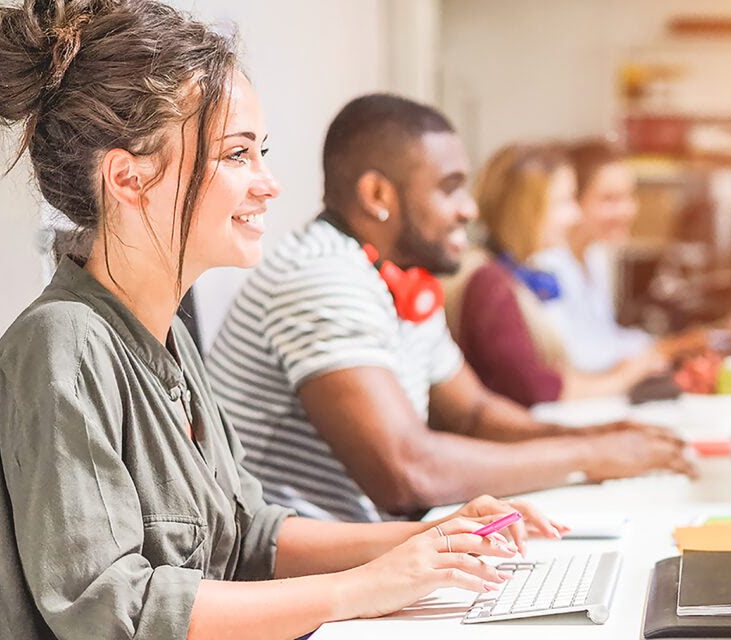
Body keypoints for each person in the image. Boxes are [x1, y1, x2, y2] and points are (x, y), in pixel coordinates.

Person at [0, 3, 560, 640]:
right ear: (128, 180)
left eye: (262, 151)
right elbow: (116, 618)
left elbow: (251, 536)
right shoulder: (62, 344)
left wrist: (430, 537)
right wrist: (366, 586)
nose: (269, 183)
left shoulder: (163, 337)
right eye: (236, 154)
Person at [208, 94, 695, 524]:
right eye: (449, 187)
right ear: (378, 195)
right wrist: (591, 454)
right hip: (307, 590)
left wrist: (599, 437)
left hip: (366, 558)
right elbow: (406, 472)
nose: (469, 209)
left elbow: (474, 414)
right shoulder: (323, 275)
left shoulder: (396, 275)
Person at [447, 142, 667, 407]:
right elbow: (537, 388)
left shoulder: (519, 274)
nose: (575, 216)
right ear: (526, 210)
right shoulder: (492, 284)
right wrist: (629, 373)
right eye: (563, 202)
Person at [531, 138, 705, 375]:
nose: (627, 211)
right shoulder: (546, 266)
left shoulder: (595, 256)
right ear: (574, 199)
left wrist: (666, 345)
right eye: (609, 199)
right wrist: (665, 350)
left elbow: (604, 337)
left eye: (629, 196)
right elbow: (576, 356)